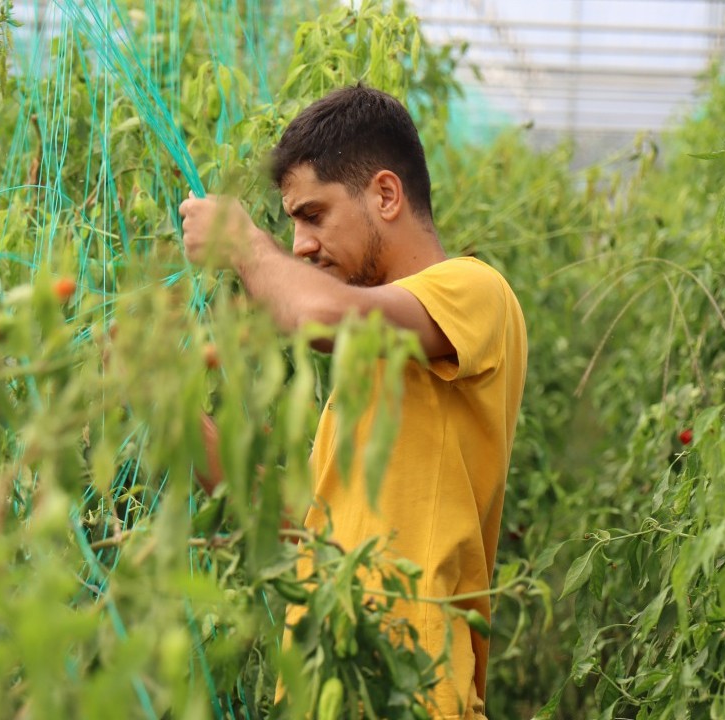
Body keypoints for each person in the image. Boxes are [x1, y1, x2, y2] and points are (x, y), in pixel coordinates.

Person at [178, 85, 528, 719]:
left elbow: (313, 312)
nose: (300, 244)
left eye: (313, 215)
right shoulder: (373, 372)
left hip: (414, 693)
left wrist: (245, 245)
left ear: (386, 195)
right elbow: (305, 541)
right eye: (290, 225)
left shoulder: (473, 290)